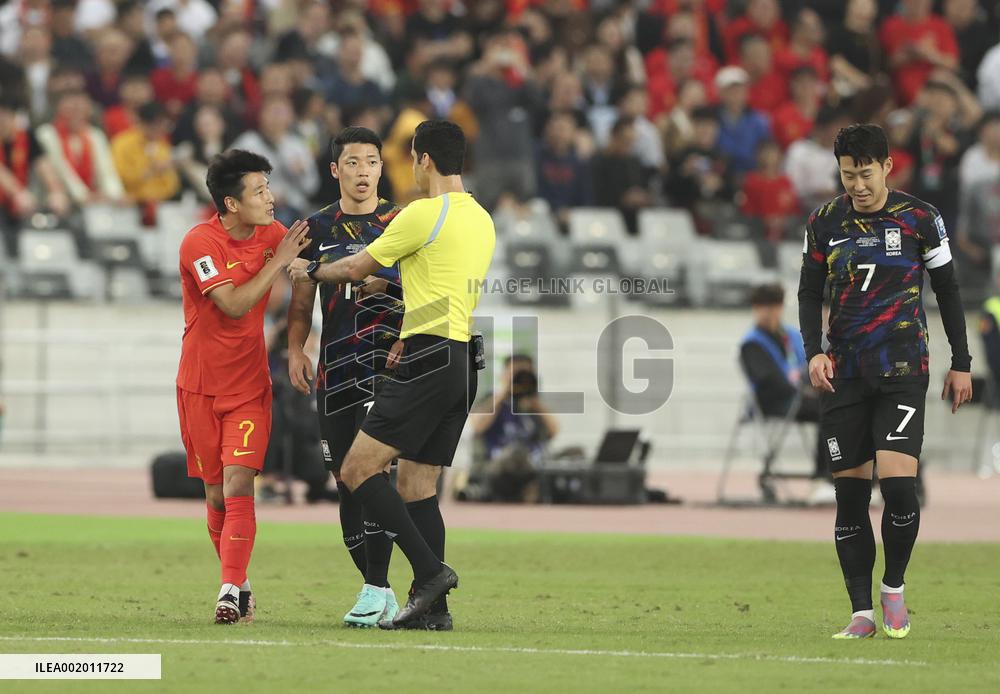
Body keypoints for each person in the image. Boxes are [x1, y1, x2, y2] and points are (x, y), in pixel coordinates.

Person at [288, 120, 495, 630]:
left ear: (422, 159)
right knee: (419, 486)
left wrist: (309, 271)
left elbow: (354, 268)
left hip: (424, 353)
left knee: (357, 470)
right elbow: (419, 273)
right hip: (464, 358)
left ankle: (428, 574)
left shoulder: (422, 213)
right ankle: (435, 612)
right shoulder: (482, 218)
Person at [798, 123, 973, 640]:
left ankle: (893, 588)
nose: (857, 184)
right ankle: (861, 614)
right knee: (849, 499)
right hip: (844, 376)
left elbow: (949, 291)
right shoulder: (824, 222)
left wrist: (960, 360)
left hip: (902, 371)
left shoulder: (922, 218)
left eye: (865, 173)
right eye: (848, 174)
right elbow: (809, 294)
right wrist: (813, 354)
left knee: (898, 490)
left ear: (887, 167)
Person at [175, 149, 310, 624]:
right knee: (215, 497)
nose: (270, 198)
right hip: (199, 386)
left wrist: (296, 343)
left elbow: (315, 263)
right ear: (231, 203)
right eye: (259, 191)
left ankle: (227, 593)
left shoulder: (275, 235)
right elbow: (232, 305)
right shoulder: (199, 243)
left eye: (268, 188)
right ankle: (243, 582)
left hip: (250, 387)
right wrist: (279, 264)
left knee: (239, 485)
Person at [286, 126, 404, 628]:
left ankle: (376, 587)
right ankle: (378, 588)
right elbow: (300, 296)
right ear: (335, 170)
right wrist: (295, 348)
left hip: (386, 366)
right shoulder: (316, 228)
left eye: (372, 162)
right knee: (345, 482)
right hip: (336, 366)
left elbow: (422, 286)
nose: (363, 172)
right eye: (353, 163)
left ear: (382, 167)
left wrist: (407, 334)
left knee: (374, 474)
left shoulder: (401, 222)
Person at [740, 284, 833, 505]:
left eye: (774, 305)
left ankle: (859, 478)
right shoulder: (751, 343)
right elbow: (769, 381)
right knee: (828, 411)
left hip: (801, 397)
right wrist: (805, 390)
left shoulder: (791, 335)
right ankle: (822, 479)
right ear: (756, 309)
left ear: (781, 307)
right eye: (763, 306)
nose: (769, 311)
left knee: (841, 407)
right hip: (773, 403)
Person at [468, 354, 560, 502]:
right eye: (516, 373)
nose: (520, 379)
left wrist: (534, 400)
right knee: (516, 454)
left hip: (532, 464)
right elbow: (477, 426)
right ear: (504, 375)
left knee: (575, 453)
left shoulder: (532, 404)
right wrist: (504, 393)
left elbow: (554, 431)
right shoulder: (491, 400)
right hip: (500, 466)